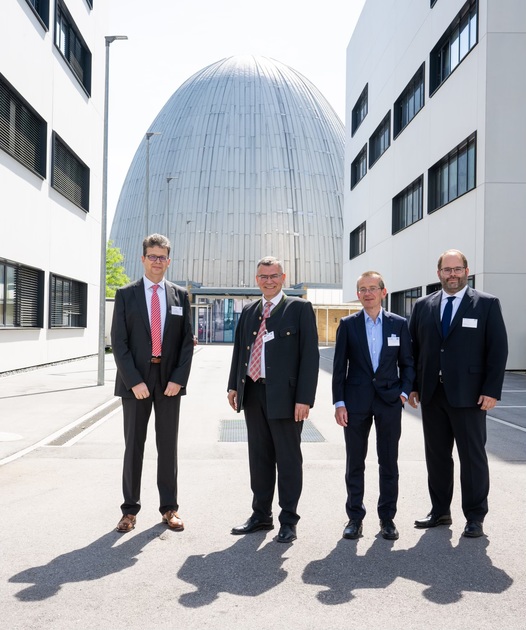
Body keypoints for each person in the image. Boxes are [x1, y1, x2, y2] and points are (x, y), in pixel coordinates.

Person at [408, 249, 508, 538]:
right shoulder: (423, 305)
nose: (452, 274)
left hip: (470, 395)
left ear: (467, 270)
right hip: (432, 394)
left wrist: (491, 390)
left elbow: (498, 350)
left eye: (457, 269)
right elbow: (414, 349)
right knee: (437, 457)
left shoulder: (486, 304)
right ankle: (440, 511)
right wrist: (413, 385)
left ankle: (475, 516)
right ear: (438, 273)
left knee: (472, 457)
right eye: (446, 270)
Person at [227, 256, 319, 543]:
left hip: (287, 398)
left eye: (274, 275)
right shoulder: (250, 311)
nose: (269, 280)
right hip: (253, 393)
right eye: (263, 276)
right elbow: (240, 351)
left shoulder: (299, 308)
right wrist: (233, 386)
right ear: (257, 280)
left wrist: (304, 398)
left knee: (288, 460)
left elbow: (310, 356)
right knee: (260, 457)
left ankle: (288, 520)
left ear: (283, 277)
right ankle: (261, 515)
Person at [111, 234, 194, 533]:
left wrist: (178, 379)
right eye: (152, 256)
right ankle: (129, 511)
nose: (157, 261)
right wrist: (133, 381)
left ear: (169, 261)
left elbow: (187, 342)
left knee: (167, 446)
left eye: (162, 257)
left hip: (168, 381)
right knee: (134, 446)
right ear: (143, 258)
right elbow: (118, 342)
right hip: (136, 382)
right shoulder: (126, 294)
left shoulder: (180, 295)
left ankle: (169, 509)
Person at [332, 271, 414, 540]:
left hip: (390, 402)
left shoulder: (399, 324)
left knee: (388, 462)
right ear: (358, 295)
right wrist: (339, 403)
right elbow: (338, 368)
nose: (367, 293)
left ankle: (387, 518)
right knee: (355, 462)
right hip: (355, 404)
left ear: (383, 292)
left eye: (372, 288)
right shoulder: (347, 324)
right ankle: (355, 517)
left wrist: (402, 394)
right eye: (362, 289)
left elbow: (408, 364)